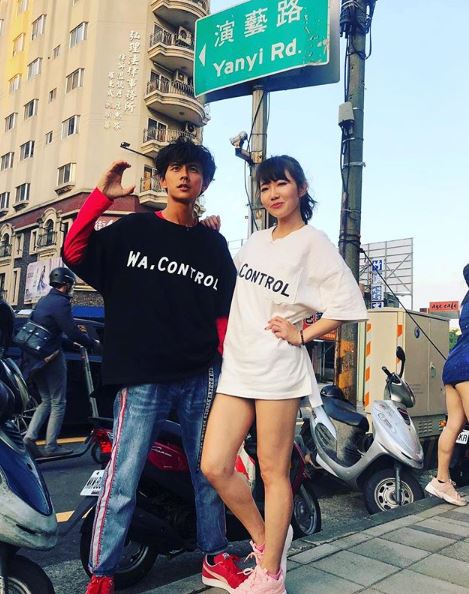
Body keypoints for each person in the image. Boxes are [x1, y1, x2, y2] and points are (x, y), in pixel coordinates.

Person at [62, 138, 243, 594]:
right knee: (123, 475)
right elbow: (75, 251)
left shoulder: (213, 244)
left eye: (194, 169)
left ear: (204, 183)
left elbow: (225, 314)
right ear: (162, 179)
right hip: (143, 376)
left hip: (201, 374)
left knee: (210, 470)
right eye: (176, 168)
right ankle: (102, 573)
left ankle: (216, 556)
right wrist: (101, 197)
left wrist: (233, 372)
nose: (185, 175)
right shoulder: (134, 230)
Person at [201, 155, 368, 594]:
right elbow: (232, 287)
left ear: (301, 188)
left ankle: (271, 574)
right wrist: (213, 237)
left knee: (274, 472)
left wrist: (303, 333)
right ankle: (266, 539)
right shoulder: (255, 242)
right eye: (265, 187)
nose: (273, 194)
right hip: (238, 366)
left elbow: (348, 302)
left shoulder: (314, 242)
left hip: (278, 367)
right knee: (214, 464)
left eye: (281, 184)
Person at [22, 267, 98, 458]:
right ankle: (51, 446)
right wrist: (91, 343)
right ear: (66, 284)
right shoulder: (61, 303)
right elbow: (71, 331)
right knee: (58, 402)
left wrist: (70, 344)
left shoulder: (44, 301)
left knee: (46, 400)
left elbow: (50, 330)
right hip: (52, 357)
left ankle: (29, 437)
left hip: (35, 357)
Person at [425, 264, 469, 506]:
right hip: (467, 364)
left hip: (453, 363)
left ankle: (442, 480)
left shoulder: (466, 302)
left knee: (454, 424)